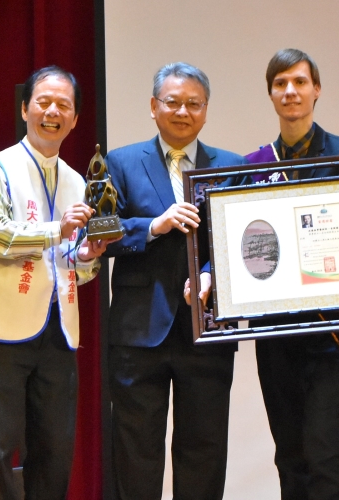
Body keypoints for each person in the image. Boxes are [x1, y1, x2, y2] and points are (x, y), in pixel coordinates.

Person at [220, 48, 339, 500]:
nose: (291, 91)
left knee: (323, 450)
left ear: (316, 90)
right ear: (270, 94)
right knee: (289, 452)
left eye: (300, 82)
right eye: (281, 83)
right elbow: (242, 247)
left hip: (327, 331)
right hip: (275, 330)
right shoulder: (253, 166)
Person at [0, 66, 111, 500]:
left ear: (75, 119)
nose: (52, 112)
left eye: (63, 105)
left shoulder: (77, 181)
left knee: (54, 450)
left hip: (59, 334)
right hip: (2, 331)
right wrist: (56, 230)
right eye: (43, 102)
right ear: (25, 108)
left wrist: (86, 257)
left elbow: (74, 262)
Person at [104, 62, 246, 500]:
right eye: (173, 102)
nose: (182, 111)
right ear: (153, 106)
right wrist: (154, 225)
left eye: (193, 104)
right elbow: (101, 235)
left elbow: (240, 243)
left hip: (206, 328)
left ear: (205, 110)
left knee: (203, 450)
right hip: (137, 332)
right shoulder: (122, 162)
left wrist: (207, 275)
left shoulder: (231, 165)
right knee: (136, 450)